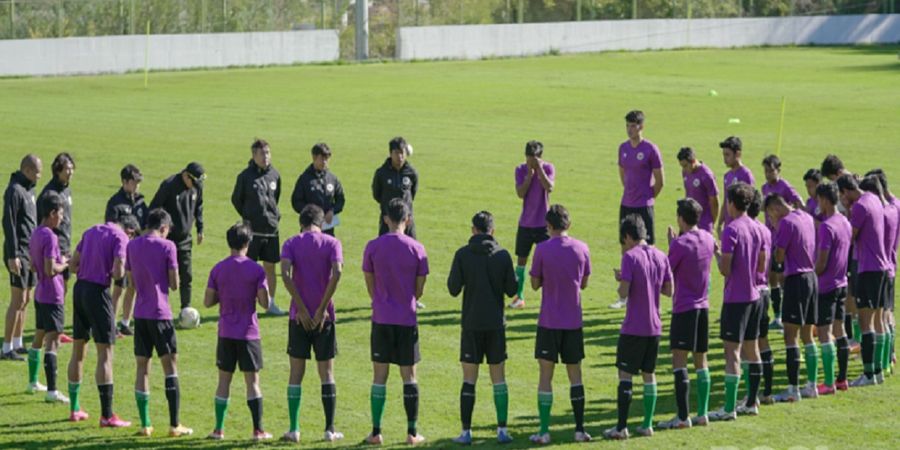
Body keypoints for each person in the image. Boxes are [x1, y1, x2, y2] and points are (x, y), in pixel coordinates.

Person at [447, 211, 517, 444]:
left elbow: (453, 288)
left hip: (471, 324)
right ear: (492, 231)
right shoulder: (503, 255)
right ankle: (502, 430)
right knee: (499, 378)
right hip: (496, 324)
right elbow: (511, 290)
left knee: (469, 379)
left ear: (473, 230)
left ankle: (466, 432)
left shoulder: (463, 254)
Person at [362, 198, 429, 445]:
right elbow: (419, 290)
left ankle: (376, 432)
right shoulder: (417, 249)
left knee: (379, 376)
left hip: (381, 317)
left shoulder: (372, 247)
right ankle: (412, 433)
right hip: (406, 318)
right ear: (408, 220)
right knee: (409, 376)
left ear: (386, 218)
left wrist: (379, 298)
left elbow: (369, 281)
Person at [66, 206, 139, 426]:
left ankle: (75, 408)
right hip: (98, 293)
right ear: (130, 231)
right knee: (105, 353)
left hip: (80, 290)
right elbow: (118, 273)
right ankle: (107, 415)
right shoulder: (121, 237)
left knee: (78, 348)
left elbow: (72, 265)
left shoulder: (90, 231)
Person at [280, 205, 344, 443]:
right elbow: (337, 273)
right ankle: (329, 430)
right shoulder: (332, 243)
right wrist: (321, 309)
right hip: (324, 318)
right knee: (326, 373)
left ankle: (294, 429)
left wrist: (302, 309)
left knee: (296, 373)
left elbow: (285, 275)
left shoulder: (290, 242)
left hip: (298, 317)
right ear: (322, 223)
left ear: (301, 223)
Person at [528, 205, 592, 444]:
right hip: (573, 321)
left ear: (548, 226)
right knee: (575, 375)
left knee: (546, 375)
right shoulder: (582, 248)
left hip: (549, 321)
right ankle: (579, 429)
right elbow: (584, 283)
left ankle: (544, 431)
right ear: (569, 225)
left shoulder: (542, 250)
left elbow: (534, 284)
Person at [604, 214, 670, 440]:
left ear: (629, 236)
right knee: (648, 374)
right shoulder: (661, 256)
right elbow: (669, 290)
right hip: (655, 326)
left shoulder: (630, 257)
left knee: (625, 375)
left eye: (624, 241)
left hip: (634, 326)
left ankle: (621, 427)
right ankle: (647, 424)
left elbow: (623, 293)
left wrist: (622, 280)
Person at [127, 208, 192, 437]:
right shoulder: (168, 246)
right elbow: (174, 284)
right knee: (170, 368)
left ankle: (145, 424)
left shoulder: (132, 245)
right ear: (164, 228)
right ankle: (174, 425)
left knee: (142, 368)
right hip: (161, 314)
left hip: (140, 314)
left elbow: (130, 281)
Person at [204, 222, 272, 441]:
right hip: (248, 333)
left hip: (226, 332)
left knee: (223, 381)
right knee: (252, 383)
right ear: (248, 242)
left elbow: (207, 301)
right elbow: (265, 303)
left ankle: (218, 429)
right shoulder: (256, 269)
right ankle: (258, 430)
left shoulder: (218, 268)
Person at [708, 183, 765, 422]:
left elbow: (725, 269)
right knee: (753, 350)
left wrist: (717, 252)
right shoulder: (758, 228)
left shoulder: (731, 230)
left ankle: (729, 407)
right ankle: (751, 402)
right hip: (755, 296)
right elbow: (762, 266)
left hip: (736, 299)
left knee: (732, 353)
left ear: (731, 203)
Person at [657, 199, 714, 430]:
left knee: (679, 360)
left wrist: (672, 244)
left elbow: (666, 272)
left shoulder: (680, 244)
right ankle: (702, 413)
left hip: (684, 307)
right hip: (704, 307)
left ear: (681, 218)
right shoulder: (709, 239)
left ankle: (682, 417)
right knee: (701, 359)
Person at [838, 174, 891, 386]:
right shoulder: (873, 198)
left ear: (845, 192)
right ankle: (877, 370)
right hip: (881, 266)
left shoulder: (859, 206)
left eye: (842, 196)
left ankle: (869, 373)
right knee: (878, 321)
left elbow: (850, 236)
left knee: (866, 321)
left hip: (867, 268)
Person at [766, 193, 819, 401]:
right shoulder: (805, 216)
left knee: (790, 336)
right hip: (812, 278)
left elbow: (779, 257)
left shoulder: (786, 223)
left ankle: (793, 388)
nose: (770, 220)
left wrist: (777, 232)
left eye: (770, 216)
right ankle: (812, 385)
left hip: (796, 280)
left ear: (775, 209)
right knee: (807, 335)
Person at [232, 139, 285, 316]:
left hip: (271, 230)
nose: (266, 157)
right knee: (248, 267)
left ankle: (269, 304)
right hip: (252, 231)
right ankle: (247, 302)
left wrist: (273, 216)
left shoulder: (275, 175)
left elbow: (275, 198)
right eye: (262, 154)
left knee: (270, 267)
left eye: (268, 153)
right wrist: (249, 216)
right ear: (254, 155)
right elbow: (236, 200)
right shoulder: (245, 177)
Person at [26, 193, 69, 402]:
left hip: (40, 292)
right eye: (60, 214)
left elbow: (34, 266)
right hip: (53, 294)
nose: (61, 218)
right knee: (53, 340)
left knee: (39, 335)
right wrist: (66, 263)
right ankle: (52, 390)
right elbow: (50, 269)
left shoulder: (36, 233)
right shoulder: (50, 236)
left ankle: (33, 381)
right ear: (52, 213)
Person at [812, 182, 853, 394]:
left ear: (825, 200)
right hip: (842, 283)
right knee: (840, 330)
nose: (818, 203)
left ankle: (828, 383)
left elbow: (822, 262)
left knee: (825, 333)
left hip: (826, 285)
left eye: (819, 199)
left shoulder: (827, 227)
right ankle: (842, 379)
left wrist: (811, 274)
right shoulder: (845, 221)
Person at [149, 162, 205, 314]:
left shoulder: (196, 186)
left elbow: (199, 206)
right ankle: (159, 307)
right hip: (166, 241)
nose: (195, 186)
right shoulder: (169, 185)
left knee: (186, 276)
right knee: (162, 276)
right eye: (192, 182)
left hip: (185, 240)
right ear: (186, 175)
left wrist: (200, 228)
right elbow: (154, 208)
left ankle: (185, 308)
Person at [3, 154, 42, 360]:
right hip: (18, 254)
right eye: (37, 171)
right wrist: (13, 255)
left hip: (30, 252)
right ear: (27, 170)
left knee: (26, 299)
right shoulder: (14, 191)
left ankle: (17, 343)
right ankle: (6, 347)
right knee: (17, 300)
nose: (39, 175)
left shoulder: (29, 190)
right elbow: (8, 224)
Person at [510, 141, 554, 310]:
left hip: (544, 225)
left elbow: (549, 187)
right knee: (521, 261)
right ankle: (519, 296)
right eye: (528, 158)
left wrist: (540, 170)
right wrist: (529, 174)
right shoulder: (520, 170)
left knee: (547, 262)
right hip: (526, 224)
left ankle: (548, 298)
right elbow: (521, 193)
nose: (530, 162)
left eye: (533, 159)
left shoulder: (549, 168)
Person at [106, 164, 149, 337]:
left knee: (134, 286)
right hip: (121, 252)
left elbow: (146, 225)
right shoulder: (115, 203)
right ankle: (111, 323)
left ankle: (125, 322)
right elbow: (110, 227)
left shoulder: (140, 202)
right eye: (134, 182)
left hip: (137, 252)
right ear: (125, 182)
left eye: (139, 182)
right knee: (118, 288)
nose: (137, 185)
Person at [762, 155, 804, 332]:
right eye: (766, 170)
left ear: (778, 170)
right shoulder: (764, 188)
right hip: (769, 239)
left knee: (783, 278)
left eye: (771, 170)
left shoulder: (785, 186)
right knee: (772, 277)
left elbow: (799, 203)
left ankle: (790, 315)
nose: (768, 174)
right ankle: (777, 316)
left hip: (783, 239)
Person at [38, 153, 75, 344]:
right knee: (52, 287)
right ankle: (51, 329)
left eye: (71, 168)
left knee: (63, 287)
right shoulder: (49, 194)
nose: (70, 172)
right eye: (66, 169)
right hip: (53, 248)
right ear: (57, 170)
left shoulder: (67, 191)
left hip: (65, 246)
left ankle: (56, 327)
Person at [867, 169, 899, 375]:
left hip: (880, 267)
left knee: (879, 318)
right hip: (892, 266)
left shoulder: (883, 214)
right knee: (888, 315)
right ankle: (890, 357)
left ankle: (880, 365)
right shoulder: (895, 206)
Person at [746, 190, 776, 405]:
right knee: (762, 340)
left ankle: (751, 396)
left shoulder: (745, 230)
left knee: (749, 344)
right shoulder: (766, 230)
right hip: (764, 290)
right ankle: (766, 391)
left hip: (751, 291)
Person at [291, 143, 345, 236]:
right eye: (322, 158)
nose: (325, 162)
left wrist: (332, 211)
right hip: (309, 229)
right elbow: (296, 201)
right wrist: (311, 214)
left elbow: (340, 199)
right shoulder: (304, 179)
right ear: (314, 157)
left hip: (328, 229)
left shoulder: (332, 178)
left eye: (327, 159)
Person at [372, 137, 418, 239]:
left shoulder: (411, 173)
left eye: (402, 152)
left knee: (411, 250)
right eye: (397, 153)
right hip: (388, 220)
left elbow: (412, 193)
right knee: (384, 250)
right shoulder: (381, 173)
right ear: (390, 153)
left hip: (406, 220)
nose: (400, 156)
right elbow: (377, 195)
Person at [715, 137, 755, 237]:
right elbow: (726, 201)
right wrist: (720, 223)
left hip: (742, 229)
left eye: (727, 155)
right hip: (729, 227)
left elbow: (751, 204)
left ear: (738, 154)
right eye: (723, 155)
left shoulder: (746, 175)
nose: (724, 158)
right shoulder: (727, 176)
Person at [677, 147, 719, 233]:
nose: (683, 169)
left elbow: (714, 202)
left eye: (685, 166)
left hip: (704, 222)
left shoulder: (707, 175)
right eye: (682, 166)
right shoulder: (685, 172)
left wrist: (711, 223)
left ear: (693, 161)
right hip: (688, 221)